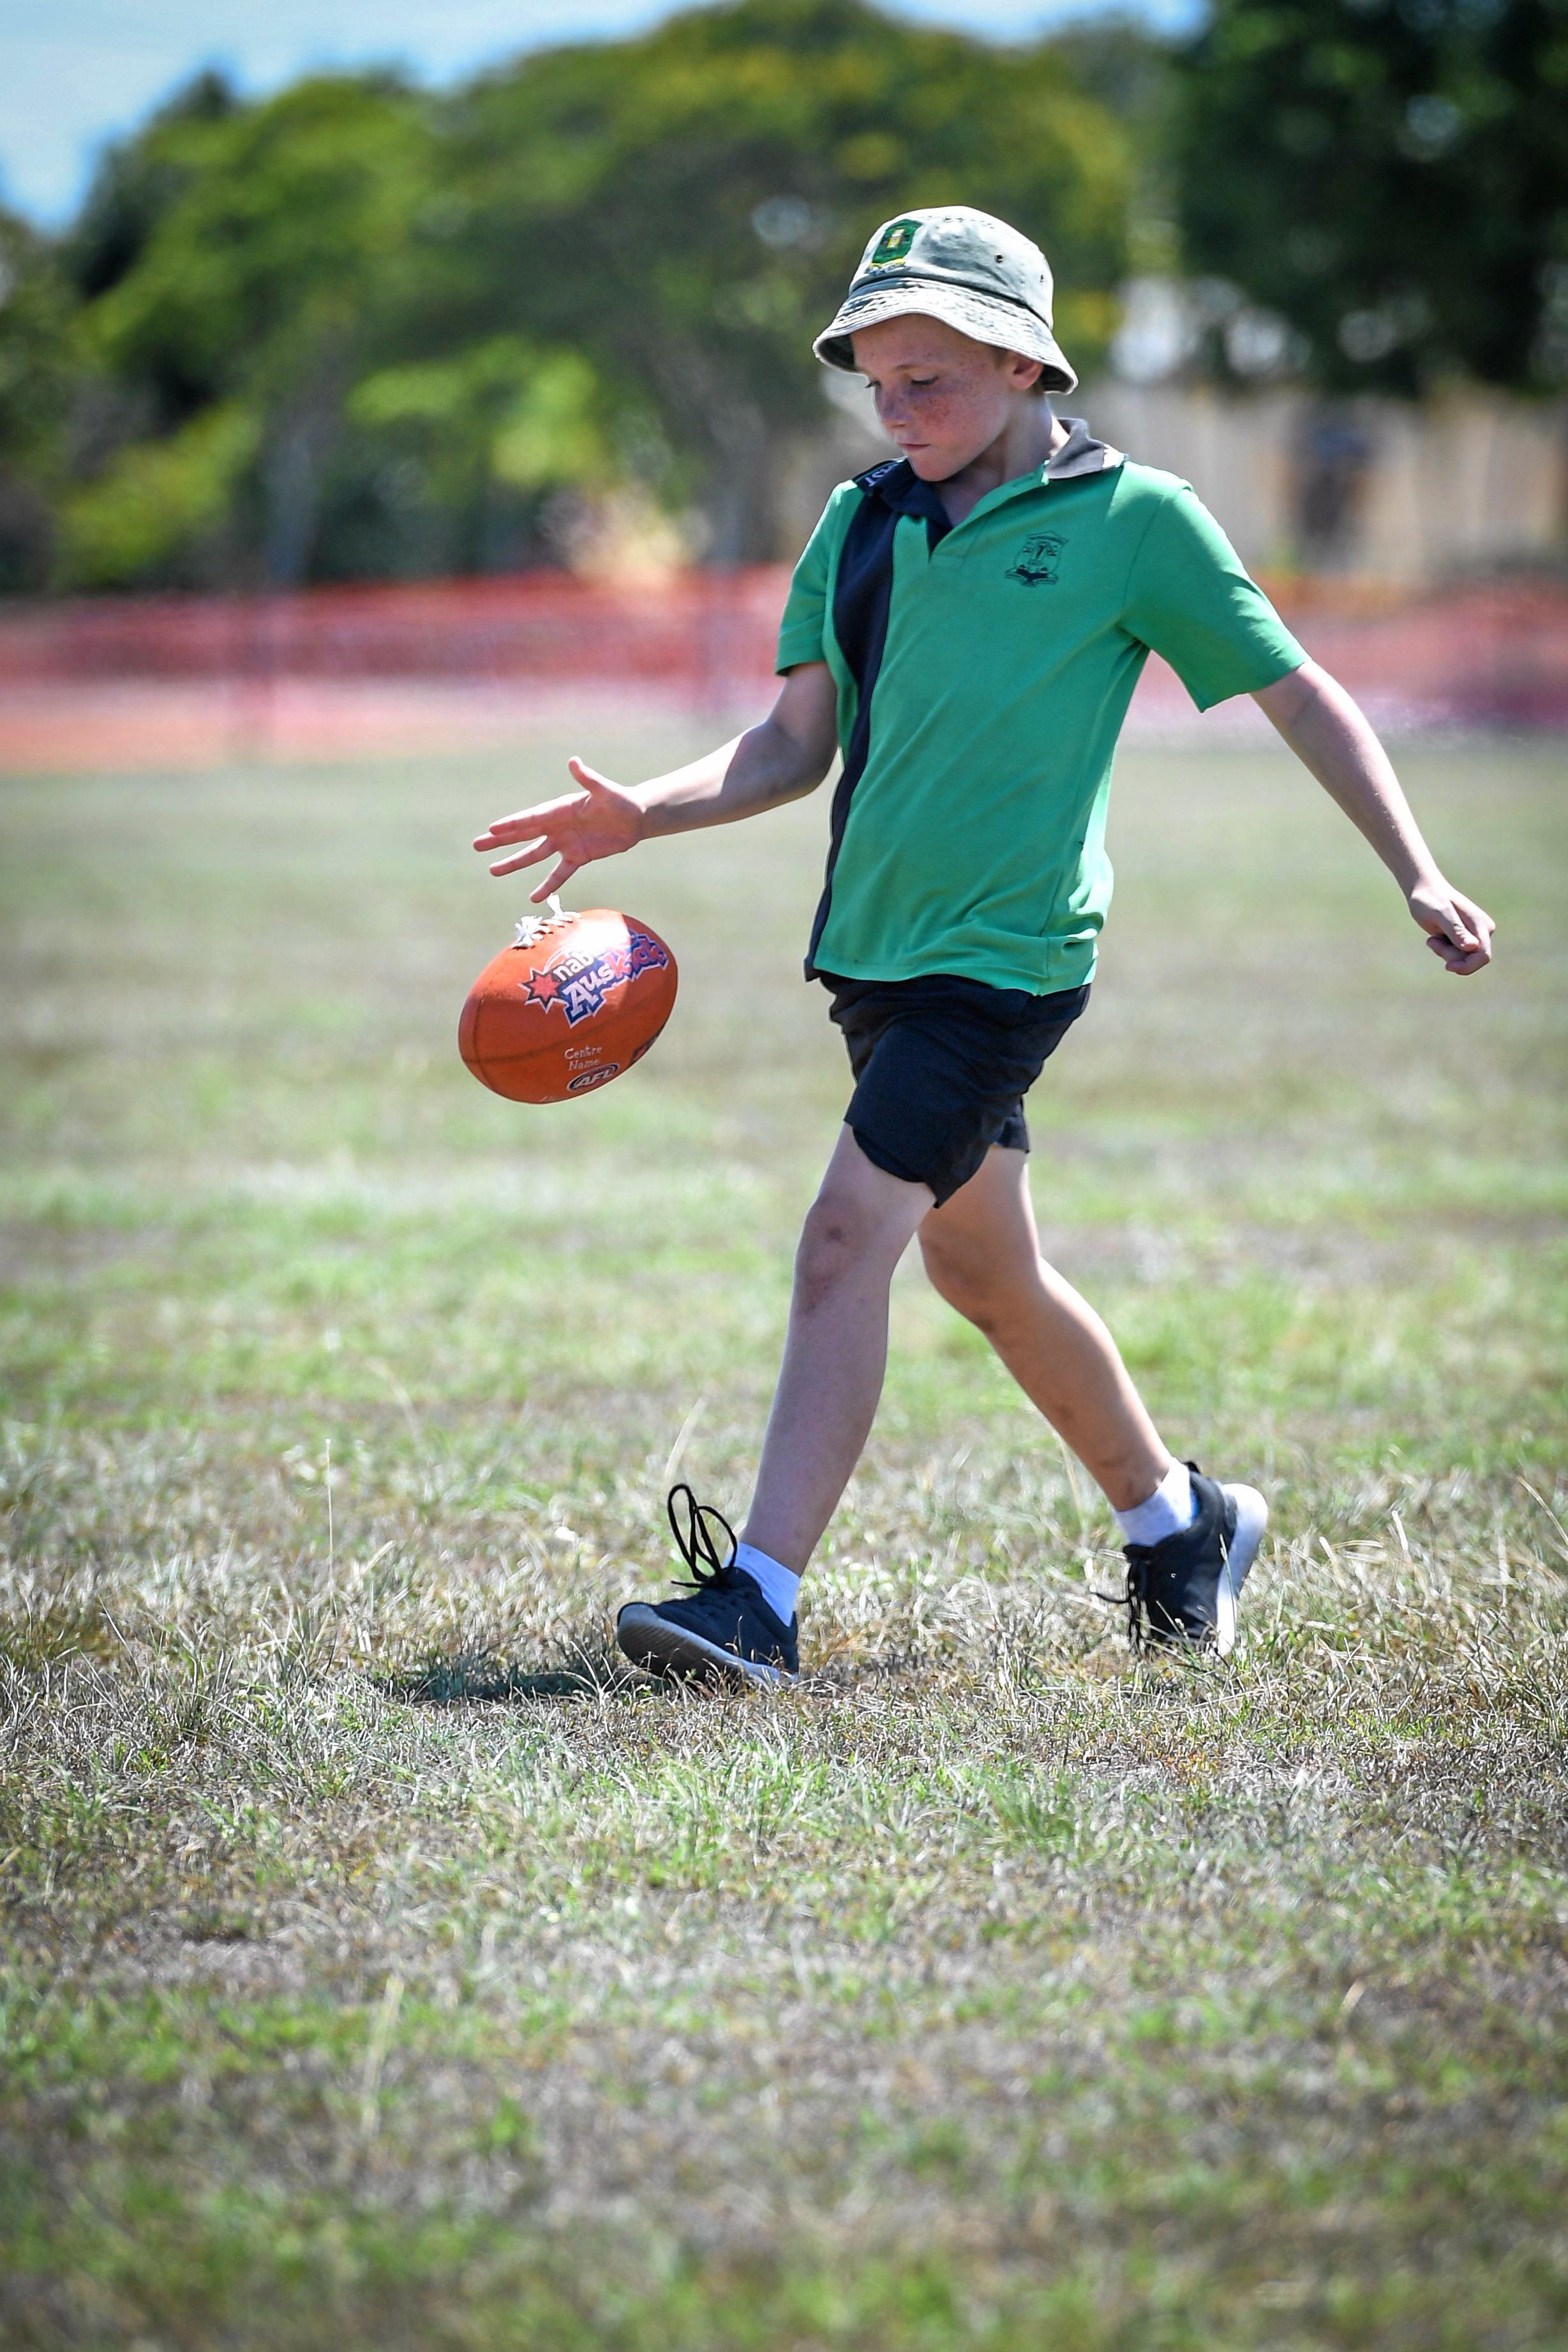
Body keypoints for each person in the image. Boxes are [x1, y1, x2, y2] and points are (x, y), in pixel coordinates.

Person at [474, 206, 1493, 1683]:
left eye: (928, 378)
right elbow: (787, 747)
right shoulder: (860, 521)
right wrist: (643, 812)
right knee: (984, 1273)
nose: (896, 410)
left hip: (1005, 962)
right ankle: (1178, 1522)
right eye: (875, 382)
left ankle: (755, 1600)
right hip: (874, 958)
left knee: (843, 1243)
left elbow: (1297, 694)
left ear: (1022, 362)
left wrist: (1415, 867)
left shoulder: (1135, 521)